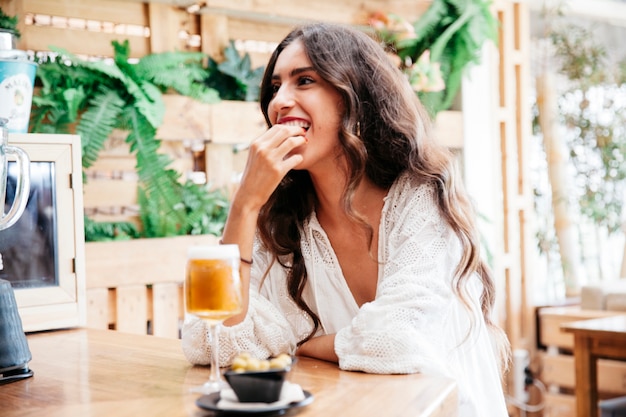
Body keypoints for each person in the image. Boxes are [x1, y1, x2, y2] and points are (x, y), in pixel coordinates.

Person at [182, 22, 510, 416]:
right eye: (274, 87)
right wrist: (245, 206)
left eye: (304, 81)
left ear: (355, 97)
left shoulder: (421, 194)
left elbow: (398, 339)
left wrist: (303, 346)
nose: (280, 101)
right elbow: (212, 342)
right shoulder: (284, 221)